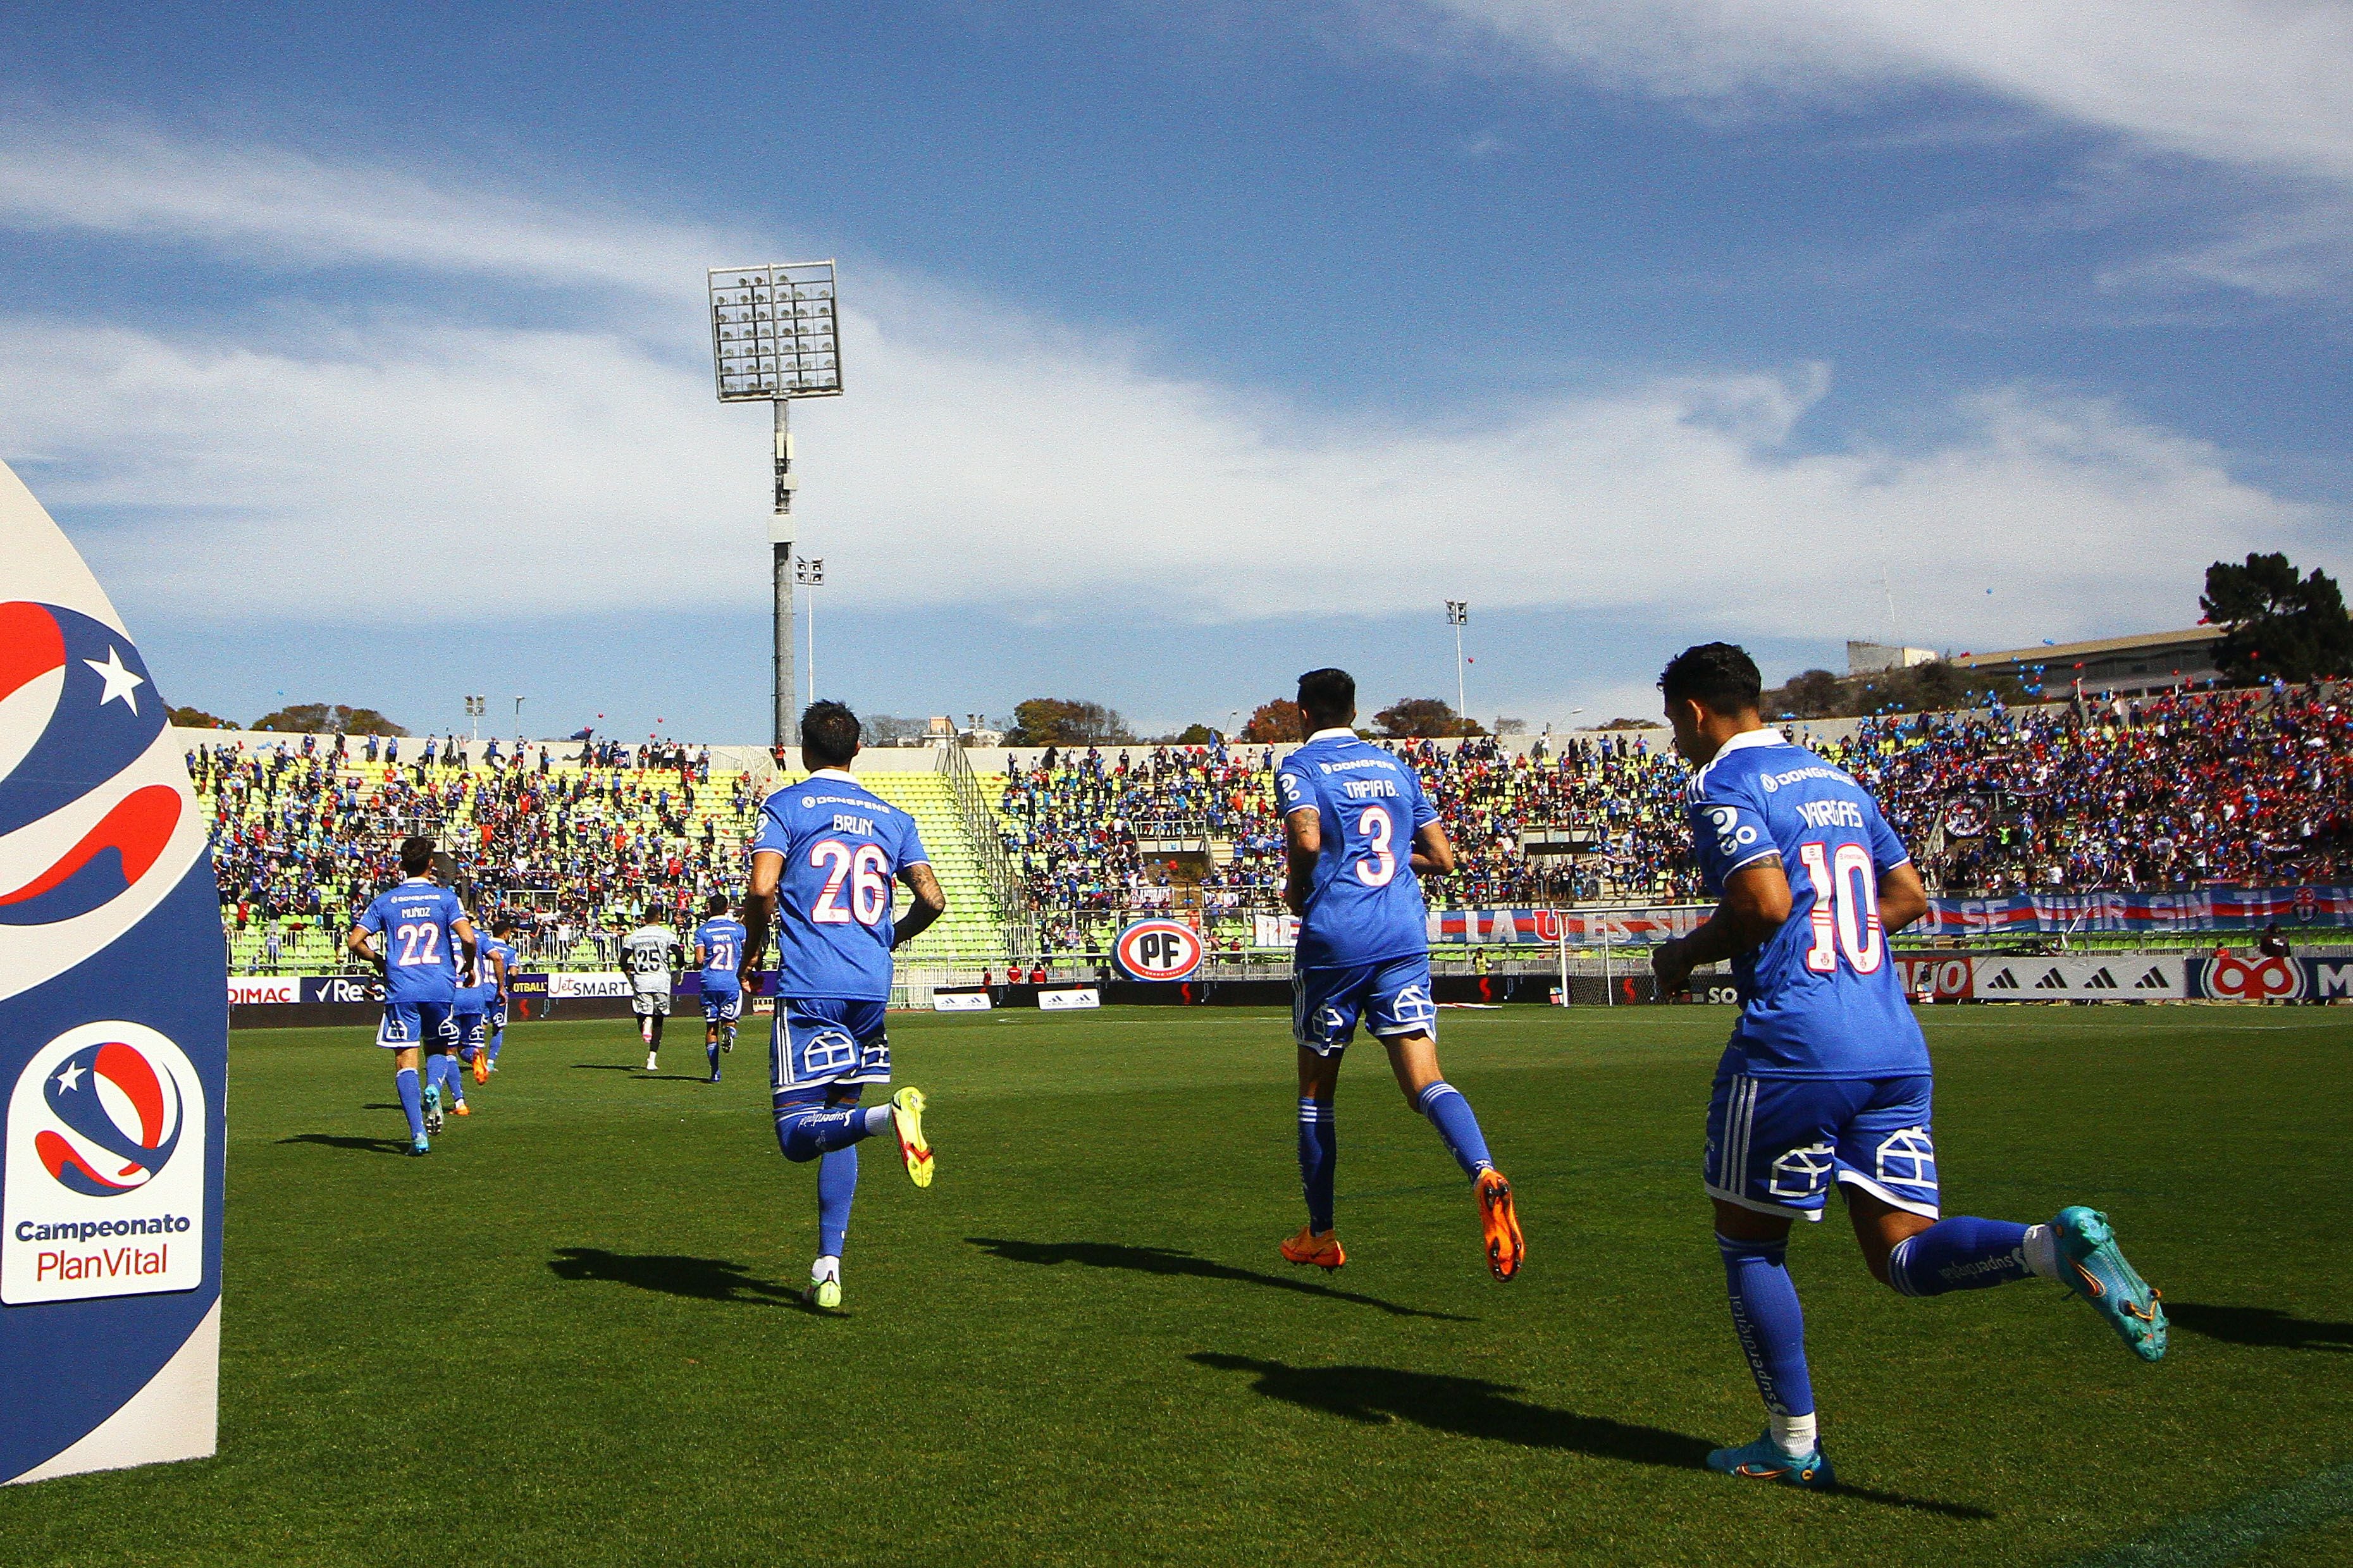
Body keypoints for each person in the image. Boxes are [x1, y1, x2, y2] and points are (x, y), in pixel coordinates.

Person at [1647, 643, 2165, 1491]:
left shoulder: (1721, 782)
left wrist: (1681, 956)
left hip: (1795, 1047)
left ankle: (1791, 1443)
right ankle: (2046, 1247)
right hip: (1892, 1042)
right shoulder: (1839, 781)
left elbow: (1765, 902)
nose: (1677, 740)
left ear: (1697, 710)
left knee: (1751, 1247)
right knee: (1899, 1252)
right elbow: (1910, 895)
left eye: (1675, 721)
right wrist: (1838, 941)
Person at [1275, 667, 1522, 1281]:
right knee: (1424, 1080)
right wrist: (1378, 853)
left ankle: (1322, 1233)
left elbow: (1306, 841)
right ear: (1354, 710)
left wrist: (1298, 884)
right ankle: (1484, 1171)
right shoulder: (1394, 767)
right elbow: (1442, 856)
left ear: (1303, 714)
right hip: (1403, 936)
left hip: (1338, 939)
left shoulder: (1299, 767)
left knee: (1316, 1092)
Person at [739, 700, 946, 1310]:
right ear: (858, 750)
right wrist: (886, 937)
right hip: (869, 989)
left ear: (804, 752)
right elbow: (932, 900)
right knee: (838, 1128)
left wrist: (752, 952)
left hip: (809, 986)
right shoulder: (893, 816)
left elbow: (761, 887)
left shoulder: (786, 805)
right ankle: (828, 1269)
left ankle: (890, 1117)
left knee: (795, 1135)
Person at [347, 835, 476, 1156]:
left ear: (402, 866)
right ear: (431, 864)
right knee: (439, 1047)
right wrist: (470, 965)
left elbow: (354, 942)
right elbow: (469, 939)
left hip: (402, 988)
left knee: (405, 1059)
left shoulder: (386, 901)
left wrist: (380, 961)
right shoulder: (445, 899)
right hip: (439, 987)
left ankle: (418, 1136)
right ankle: (434, 1087)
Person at [692, 893, 748, 1083]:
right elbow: (751, 952)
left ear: (709, 908)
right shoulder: (739, 930)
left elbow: (700, 960)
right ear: (727, 908)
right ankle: (730, 1030)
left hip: (709, 982)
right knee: (730, 1019)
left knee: (710, 1027)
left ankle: (715, 1072)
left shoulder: (702, 931)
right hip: (731, 981)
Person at [623, 904, 682, 1071]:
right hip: (661, 980)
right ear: (659, 917)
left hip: (642, 980)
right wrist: (679, 968)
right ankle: (651, 1060)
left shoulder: (635, 936)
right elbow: (679, 954)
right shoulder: (666, 934)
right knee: (659, 1020)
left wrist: (629, 971)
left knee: (643, 1013)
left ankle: (645, 1021)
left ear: (644, 918)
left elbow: (623, 959)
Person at [479, 917, 522, 1075]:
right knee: (498, 1027)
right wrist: (509, 985)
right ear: (506, 933)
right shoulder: (510, 952)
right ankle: (490, 1063)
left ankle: (477, 1060)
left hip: (481, 991)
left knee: (480, 1027)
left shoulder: (483, 945)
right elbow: (513, 972)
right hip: (499, 993)